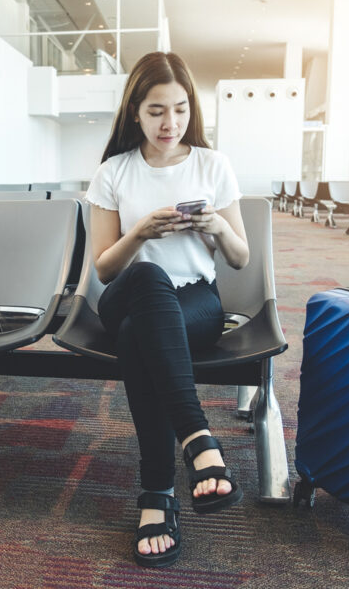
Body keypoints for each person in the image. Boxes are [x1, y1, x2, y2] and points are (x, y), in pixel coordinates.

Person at [84, 51, 249, 568]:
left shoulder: (212, 165)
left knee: (139, 337)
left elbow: (240, 259)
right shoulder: (113, 172)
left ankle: (158, 491)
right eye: (156, 111)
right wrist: (141, 233)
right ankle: (199, 440)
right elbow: (105, 269)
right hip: (129, 290)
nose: (169, 123)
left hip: (195, 300)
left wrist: (216, 227)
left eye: (179, 109)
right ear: (135, 111)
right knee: (148, 277)